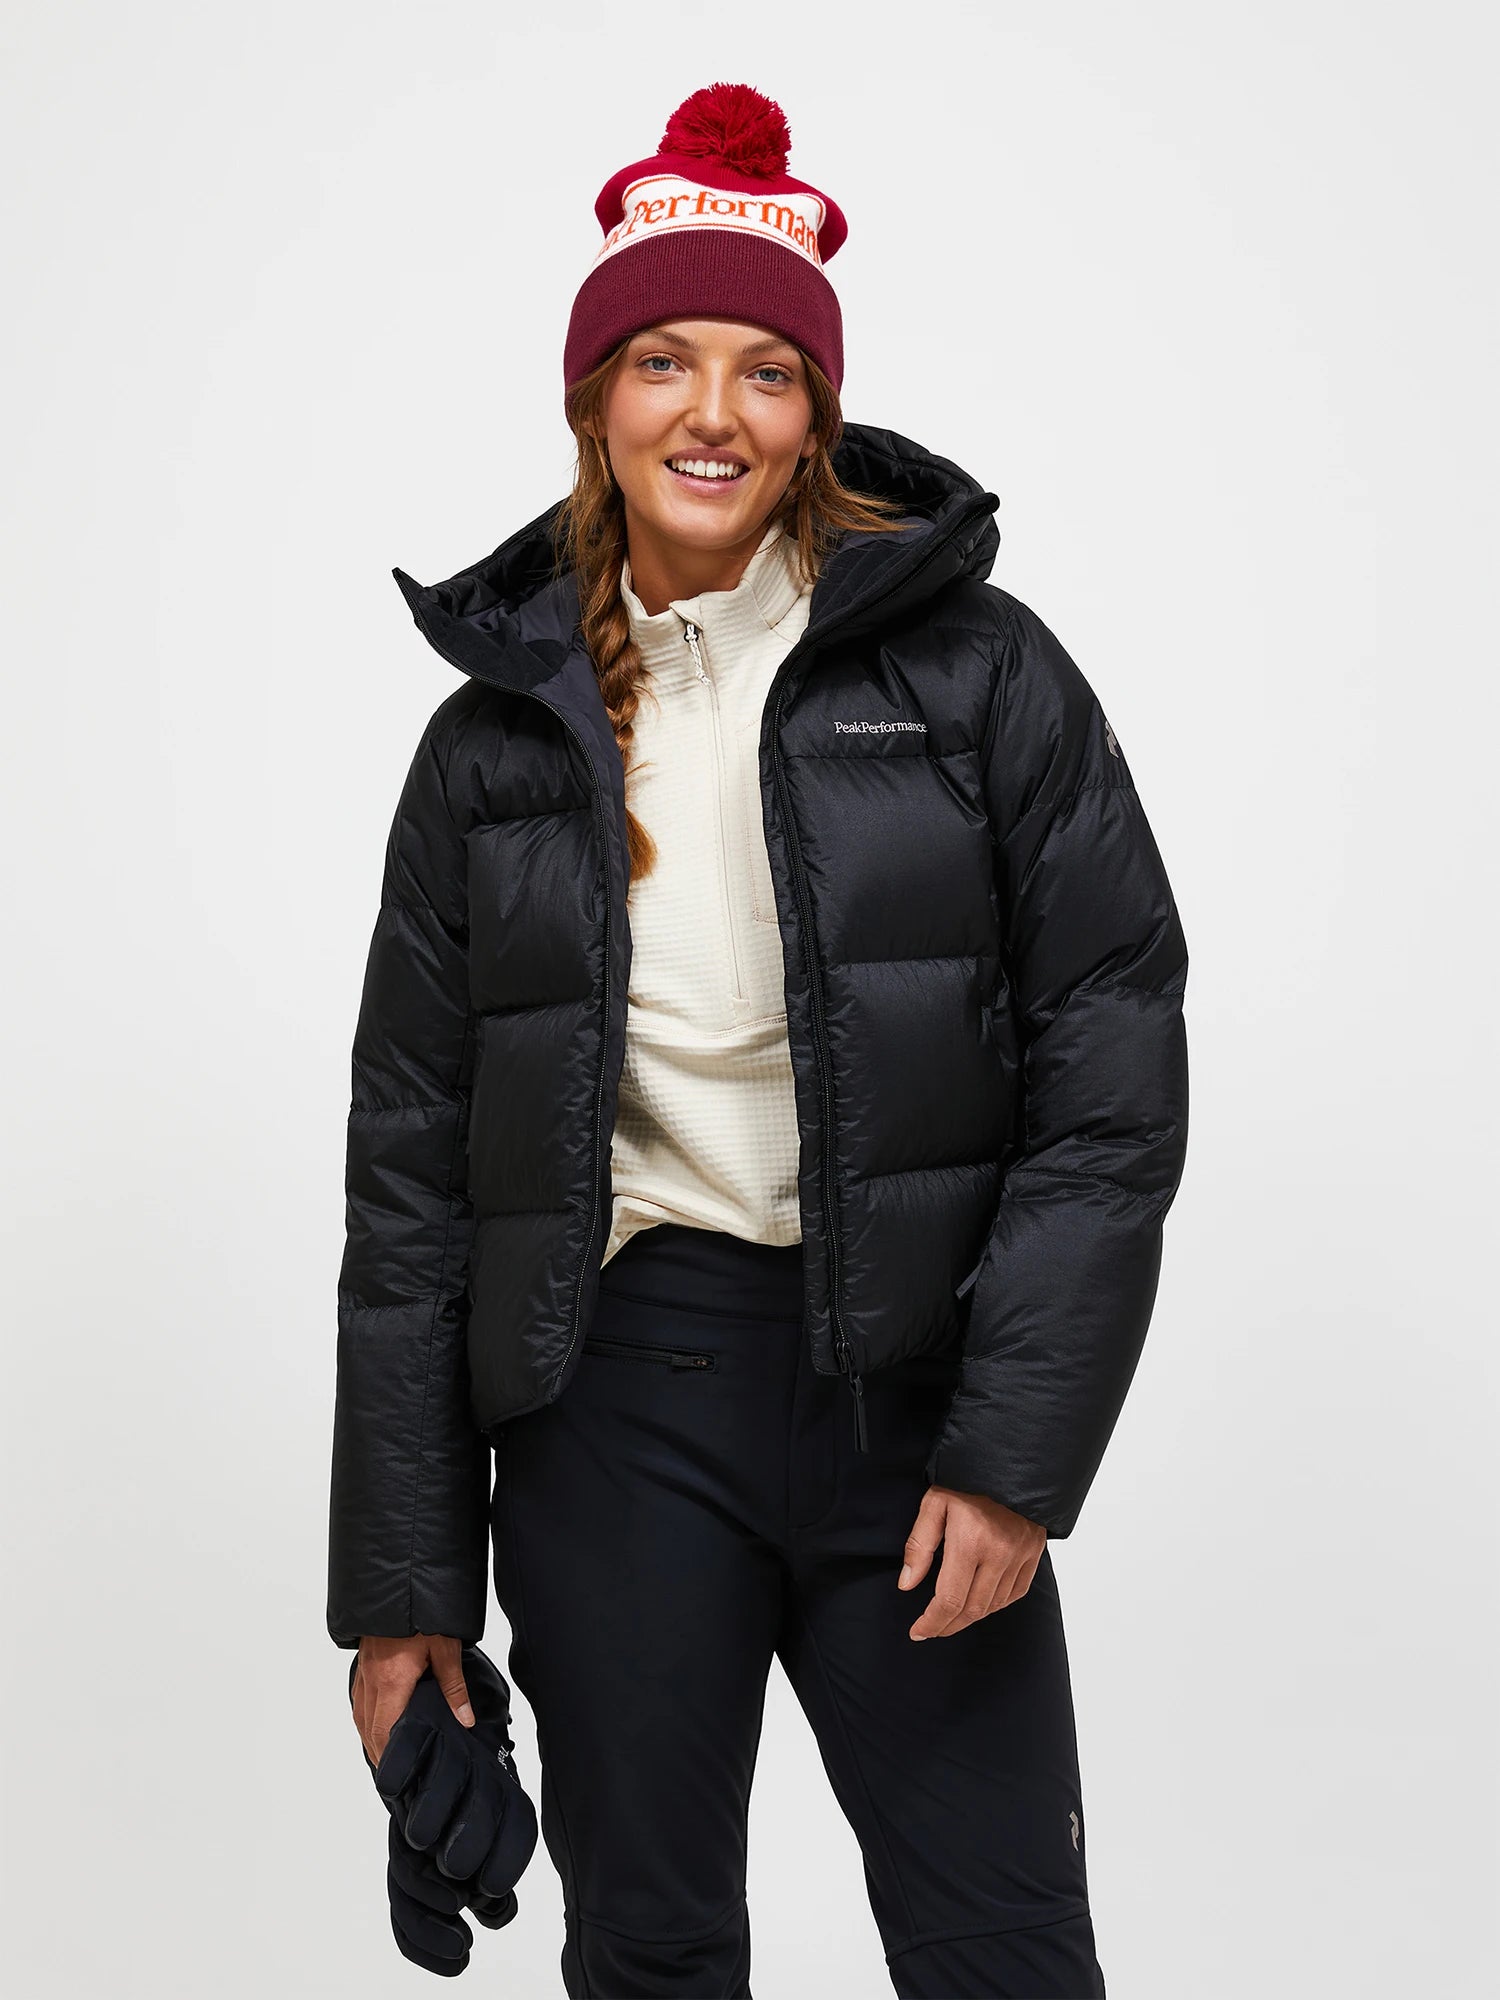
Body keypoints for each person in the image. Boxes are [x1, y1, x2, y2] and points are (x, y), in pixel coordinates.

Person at [328, 80, 1190, 2000]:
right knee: (649, 1956)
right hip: (615, 1411)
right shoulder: (491, 752)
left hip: (915, 1403)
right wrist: (403, 1598)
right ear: (597, 405)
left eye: (764, 372)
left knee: (1005, 1951)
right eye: (662, 362)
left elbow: (1112, 1065)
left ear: (814, 414)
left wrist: (1018, 1451)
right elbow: (409, 1187)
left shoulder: (981, 676)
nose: (711, 413)